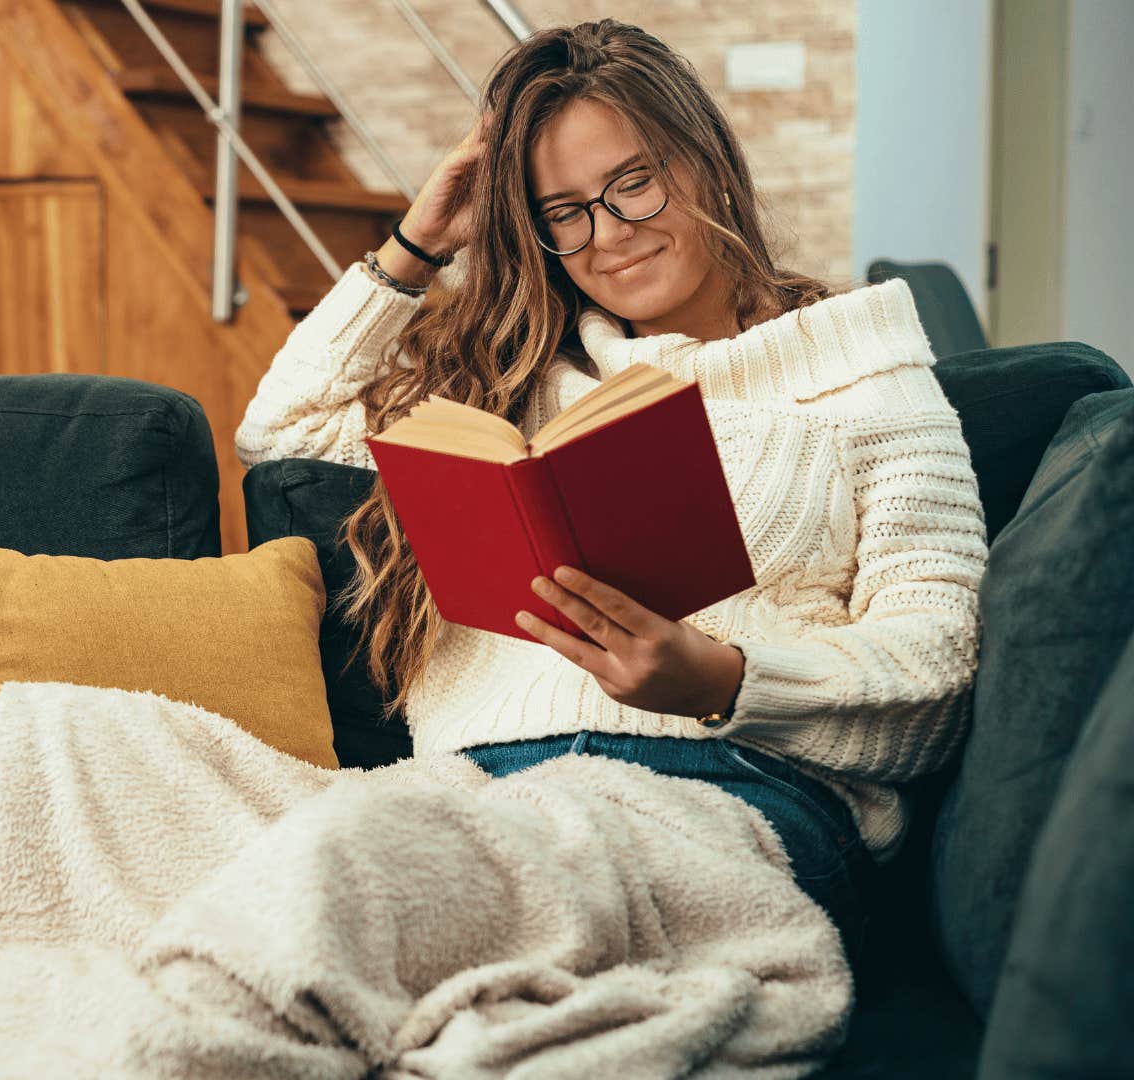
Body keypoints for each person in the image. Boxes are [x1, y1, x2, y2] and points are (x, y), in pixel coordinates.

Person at [234, 17, 989, 973]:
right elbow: (283, 431)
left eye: (633, 183)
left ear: (706, 160)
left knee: (364, 882)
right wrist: (418, 241)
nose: (611, 236)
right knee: (57, 741)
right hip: (466, 795)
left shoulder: (865, 370)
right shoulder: (512, 383)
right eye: (565, 212)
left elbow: (939, 669)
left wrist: (722, 679)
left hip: (718, 785)